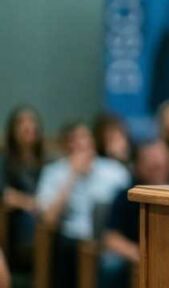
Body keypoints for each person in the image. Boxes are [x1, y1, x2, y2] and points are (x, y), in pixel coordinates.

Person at [35, 121, 131, 287]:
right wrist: (72, 175)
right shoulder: (53, 172)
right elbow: (48, 218)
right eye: (74, 140)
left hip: (109, 238)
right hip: (72, 241)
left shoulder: (114, 170)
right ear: (65, 146)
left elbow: (128, 207)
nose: (81, 144)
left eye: (85, 138)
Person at [101, 139, 169, 288]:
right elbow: (111, 238)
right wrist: (140, 255)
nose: (158, 168)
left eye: (162, 165)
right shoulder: (126, 195)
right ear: (139, 166)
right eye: (152, 165)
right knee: (111, 264)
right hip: (133, 257)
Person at [0, 105, 44, 271]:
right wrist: (31, 203)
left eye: (32, 122)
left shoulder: (46, 161)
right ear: (12, 130)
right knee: (27, 218)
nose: (28, 127)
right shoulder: (5, 161)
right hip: (17, 223)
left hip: (47, 218)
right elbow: (5, 195)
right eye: (21, 123)